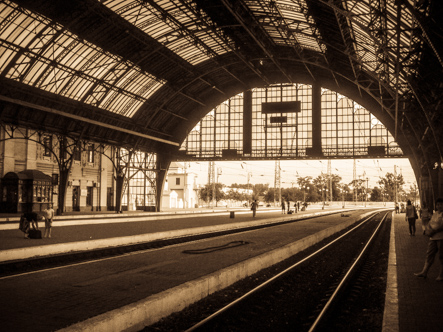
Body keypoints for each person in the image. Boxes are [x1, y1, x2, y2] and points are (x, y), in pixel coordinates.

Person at [414, 197, 443, 281]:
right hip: (433, 238)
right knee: (429, 254)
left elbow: (441, 226)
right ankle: (424, 272)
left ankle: (441, 275)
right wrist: (428, 230)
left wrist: (434, 230)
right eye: (438, 205)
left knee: (442, 256)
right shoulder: (435, 213)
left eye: (441, 204)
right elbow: (430, 223)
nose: (439, 206)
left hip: (441, 238)